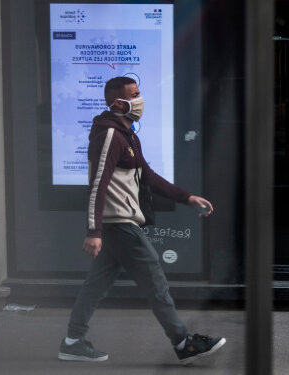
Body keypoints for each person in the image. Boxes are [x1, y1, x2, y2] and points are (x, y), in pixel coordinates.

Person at [58, 77, 226, 364]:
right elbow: (98, 184)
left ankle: (73, 341)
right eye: (134, 95)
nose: (140, 100)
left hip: (117, 225)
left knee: (95, 286)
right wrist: (93, 230)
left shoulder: (129, 136)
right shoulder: (109, 135)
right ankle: (183, 342)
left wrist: (187, 198)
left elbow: (147, 176)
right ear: (119, 104)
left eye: (139, 93)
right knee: (155, 282)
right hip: (120, 224)